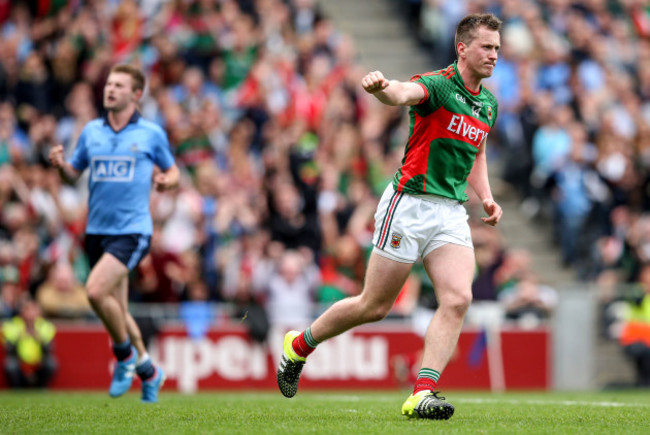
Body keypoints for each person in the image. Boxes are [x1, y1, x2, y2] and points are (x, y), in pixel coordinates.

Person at [276, 13, 503, 420]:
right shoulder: (437, 85)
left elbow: (479, 151)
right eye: (487, 47)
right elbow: (402, 93)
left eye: (498, 49)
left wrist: (485, 196)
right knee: (374, 305)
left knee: (458, 298)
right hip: (410, 204)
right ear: (462, 48)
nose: (494, 55)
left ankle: (422, 392)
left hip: (451, 211)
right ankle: (299, 345)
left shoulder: (488, 103)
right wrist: (382, 89)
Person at [48, 64, 179, 403]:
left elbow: (173, 170)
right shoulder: (91, 131)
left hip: (132, 231)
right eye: (109, 84)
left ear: (136, 95)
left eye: (119, 85)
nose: (111, 89)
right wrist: (62, 167)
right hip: (96, 232)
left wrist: (167, 182)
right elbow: (74, 175)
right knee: (117, 309)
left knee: (94, 292)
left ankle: (123, 357)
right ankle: (150, 371)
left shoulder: (150, 133)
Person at [2, 298, 57, 388]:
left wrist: (38, 338)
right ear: (21, 312)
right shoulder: (12, 325)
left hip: (39, 362)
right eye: (27, 310)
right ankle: (17, 389)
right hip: (19, 361)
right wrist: (20, 337)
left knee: (50, 363)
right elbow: (8, 349)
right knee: (10, 365)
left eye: (33, 310)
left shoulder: (46, 326)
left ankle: (41, 388)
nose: (30, 314)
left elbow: (49, 349)